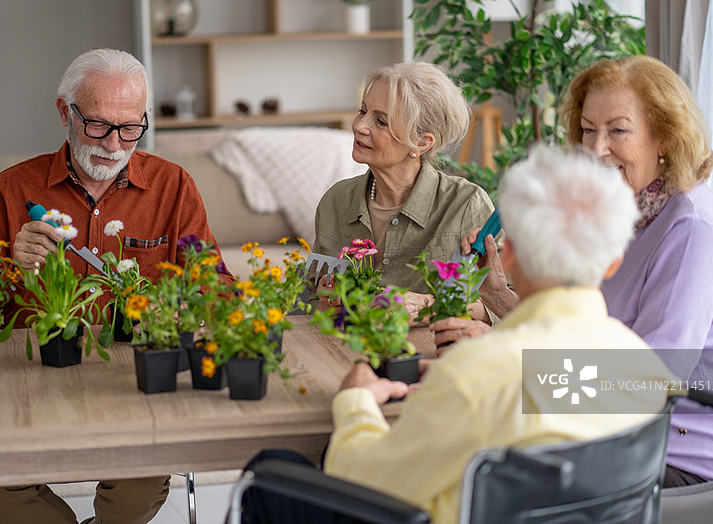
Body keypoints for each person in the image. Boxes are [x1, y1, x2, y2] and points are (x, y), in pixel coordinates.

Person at [234, 146, 672, 524]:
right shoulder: (640, 366)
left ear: (511, 255)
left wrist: (356, 402)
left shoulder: (476, 376)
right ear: (613, 261)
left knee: (271, 471)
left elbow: (362, 476)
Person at [0, 48, 233, 524]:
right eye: (99, 126)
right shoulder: (12, 187)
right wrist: (12, 265)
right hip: (29, 388)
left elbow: (217, 288)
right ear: (65, 112)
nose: (114, 144)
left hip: (132, 390)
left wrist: (189, 310)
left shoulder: (174, 187)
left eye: (131, 128)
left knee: (144, 480)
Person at [455, 55, 713, 487]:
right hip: (616, 433)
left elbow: (649, 381)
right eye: (588, 130)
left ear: (664, 138)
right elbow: (590, 341)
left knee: (476, 472)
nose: (596, 149)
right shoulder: (628, 213)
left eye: (618, 130)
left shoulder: (693, 231)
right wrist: (501, 301)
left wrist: (513, 368)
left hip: (682, 457)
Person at [312, 61, 495, 319]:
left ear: (421, 142)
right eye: (362, 111)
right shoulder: (335, 201)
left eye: (381, 121)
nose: (359, 126)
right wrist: (324, 304)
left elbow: (503, 305)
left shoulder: (466, 204)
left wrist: (426, 306)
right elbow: (310, 301)